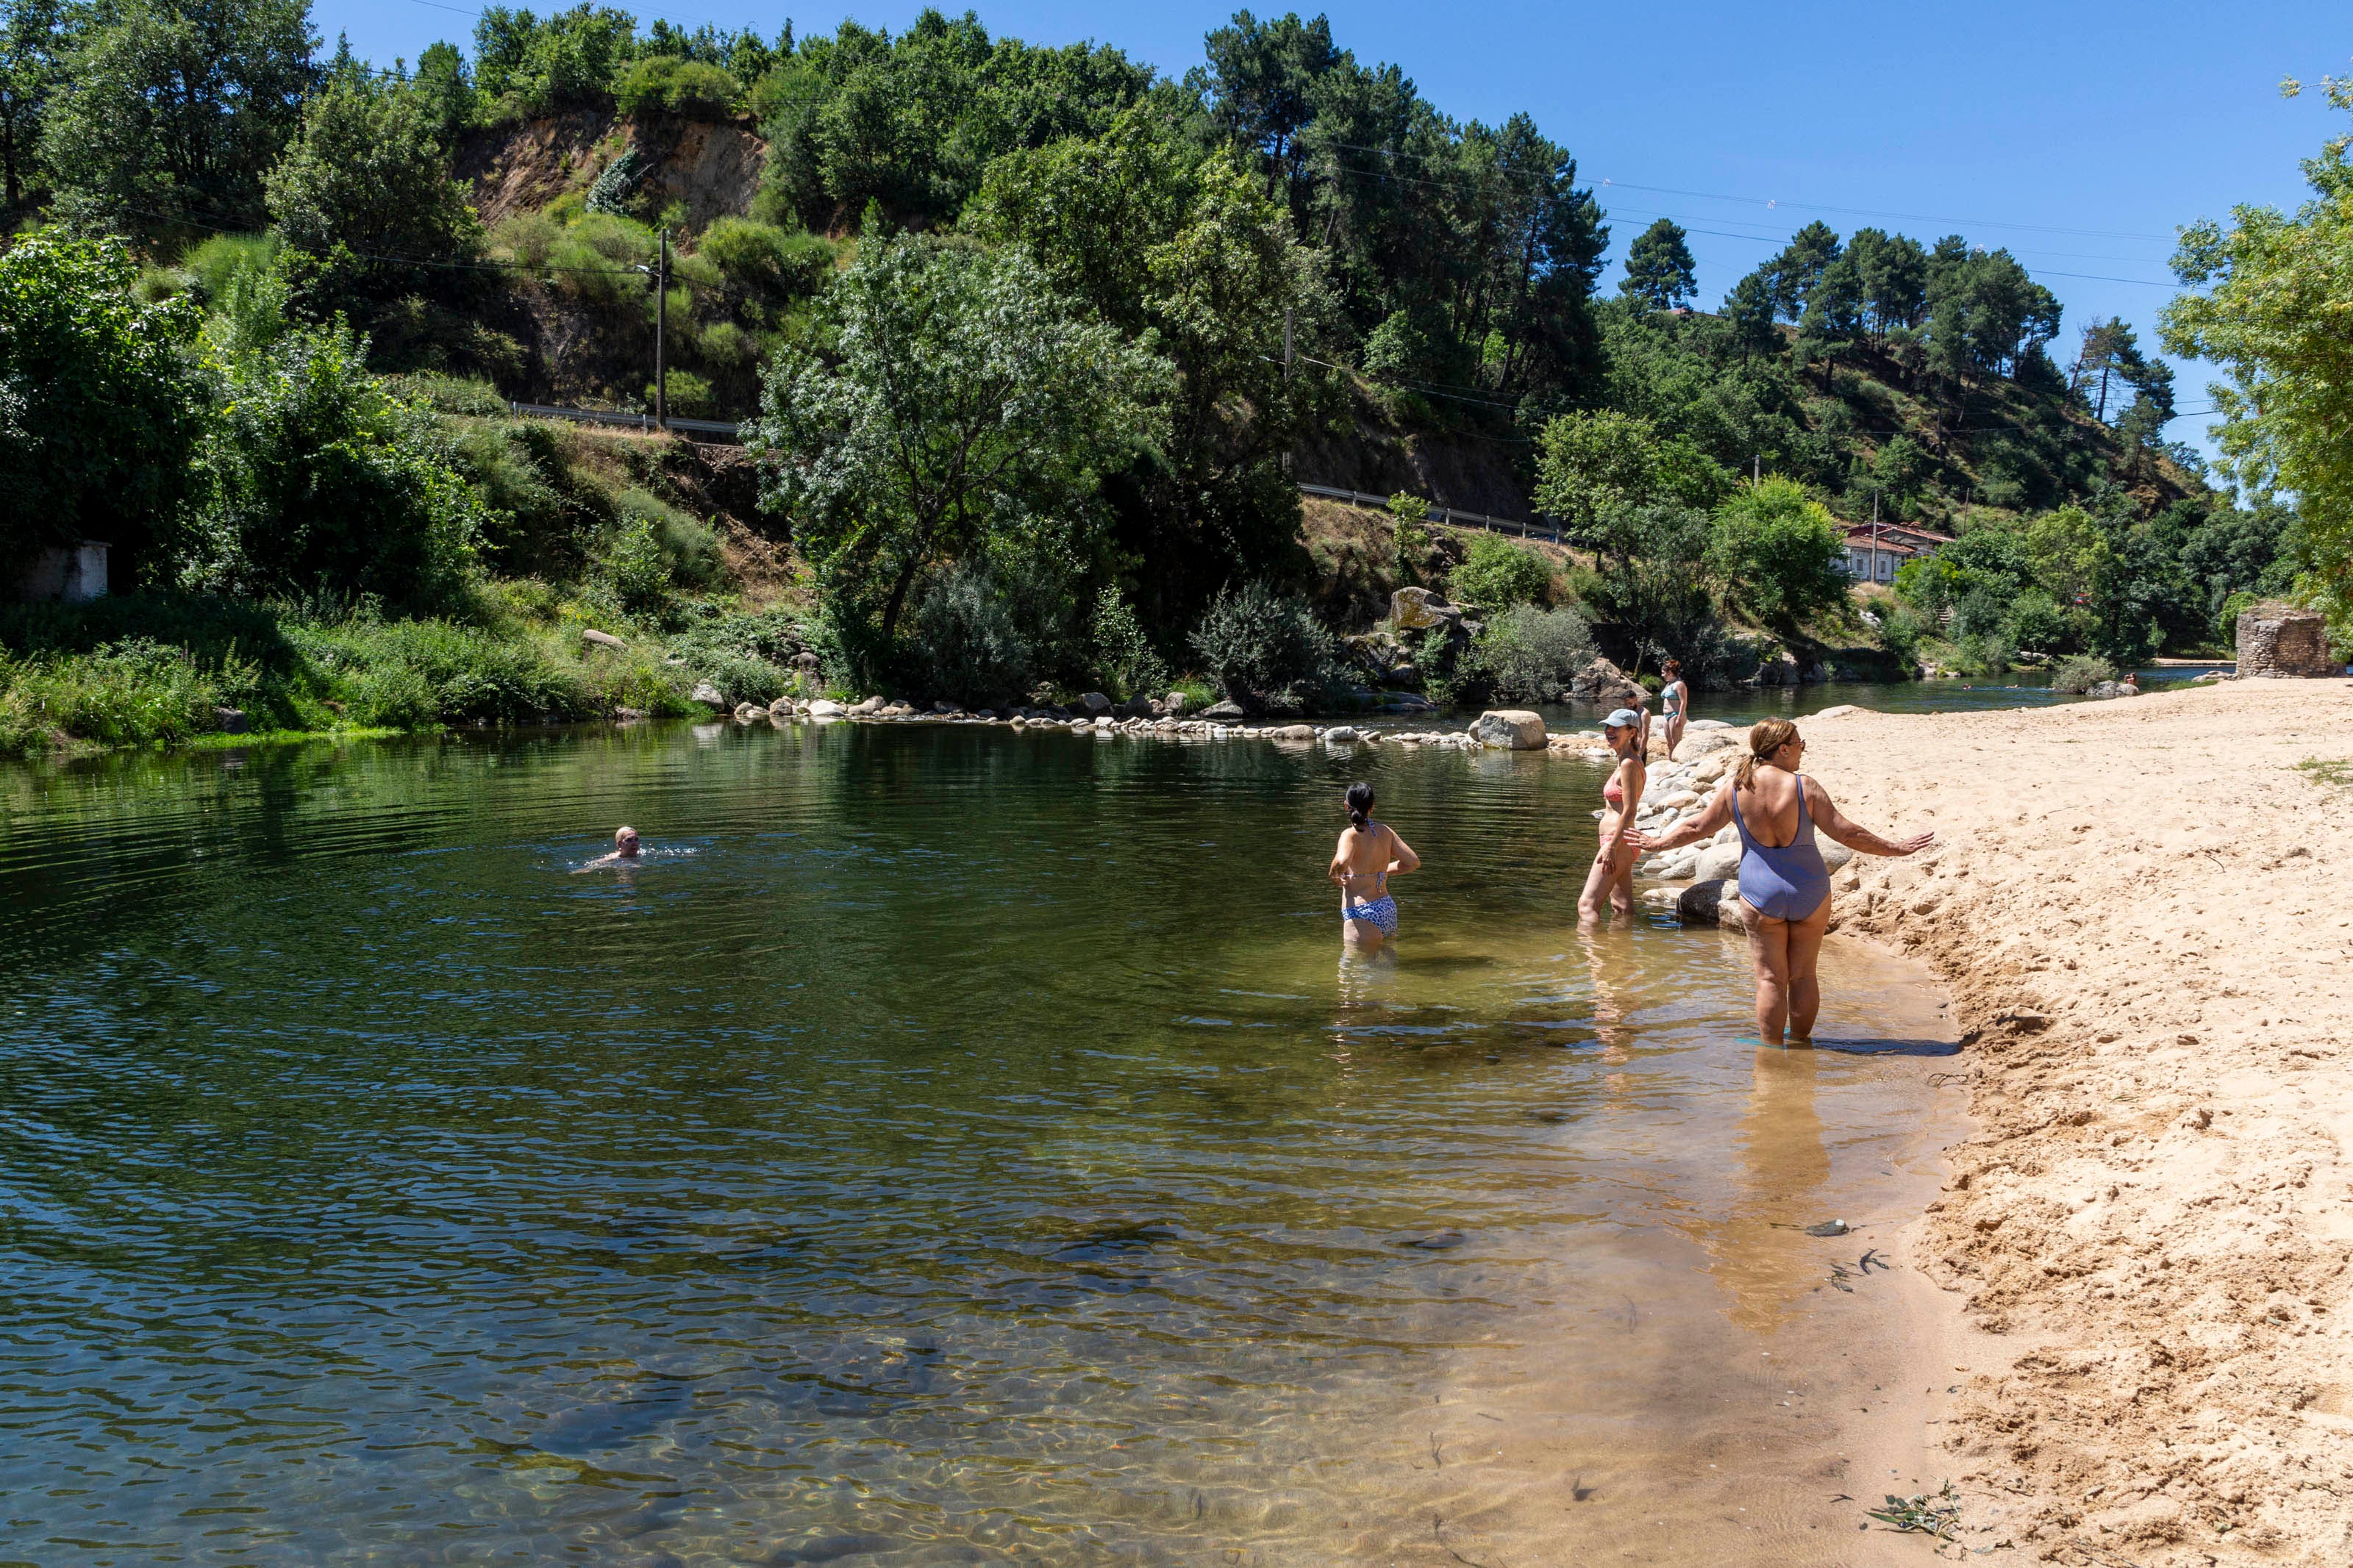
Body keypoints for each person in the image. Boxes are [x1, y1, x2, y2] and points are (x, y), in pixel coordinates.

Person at [1627, 719, 1935, 1047]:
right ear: (1783, 749)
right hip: (1810, 891)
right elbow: (1847, 832)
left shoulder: (1736, 788)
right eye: (1800, 744)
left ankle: (1771, 1055)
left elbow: (1696, 826)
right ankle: (1802, 1046)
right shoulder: (1804, 787)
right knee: (1803, 975)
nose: (1803, 750)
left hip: (1761, 893)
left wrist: (1657, 843)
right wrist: (1895, 848)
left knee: (1770, 979)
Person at [1576, 707, 1649, 926]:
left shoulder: (1628, 764)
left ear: (1632, 732)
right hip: (1623, 843)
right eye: (1607, 727)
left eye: (1616, 727)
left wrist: (1611, 846)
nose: (1609, 731)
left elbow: (1630, 810)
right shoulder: (1628, 760)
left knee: (1587, 906)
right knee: (1622, 907)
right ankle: (1620, 957)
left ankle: (1594, 959)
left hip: (1617, 843)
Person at [1329, 782, 1420, 949]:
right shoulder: (1385, 831)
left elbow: (1342, 863)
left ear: (1346, 805)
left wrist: (1333, 874)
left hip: (1361, 913)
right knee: (1386, 969)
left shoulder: (1350, 835)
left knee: (1353, 971)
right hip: (1387, 908)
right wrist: (1380, 872)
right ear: (1372, 807)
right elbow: (1413, 863)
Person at [1659, 659, 1689, 760]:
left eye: (1663, 673)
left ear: (1670, 672)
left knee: (1676, 743)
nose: (1662, 675)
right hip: (1666, 716)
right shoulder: (1668, 684)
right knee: (1669, 743)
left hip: (1675, 715)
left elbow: (1684, 702)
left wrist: (1679, 718)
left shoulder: (1679, 684)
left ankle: (1678, 762)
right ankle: (1670, 761)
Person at [576, 825, 641, 871]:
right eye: (629, 840)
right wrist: (585, 869)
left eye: (636, 839)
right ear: (619, 844)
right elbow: (594, 864)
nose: (634, 843)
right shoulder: (613, 858)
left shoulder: (641, 853)